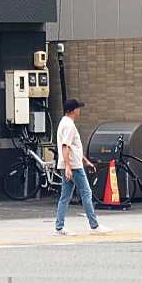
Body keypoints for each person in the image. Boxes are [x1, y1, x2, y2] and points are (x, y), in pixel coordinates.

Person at [54, 99, 111, 235]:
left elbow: (73, 148)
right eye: (78, 108)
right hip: (73, 166)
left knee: (65, 196)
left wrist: (85, 160)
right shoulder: (69, 126)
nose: (79, 110)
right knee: (86, 193)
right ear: (73, 110)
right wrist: (69, 166)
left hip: (68, 163)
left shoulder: (64, 123)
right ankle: (94, 225)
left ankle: (59, 226)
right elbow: (66, 146)